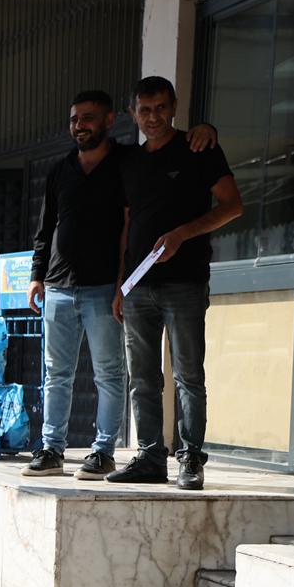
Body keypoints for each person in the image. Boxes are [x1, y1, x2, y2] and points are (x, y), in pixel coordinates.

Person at [25, 92, 218, 481]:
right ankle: (51, 449)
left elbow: (130, 226)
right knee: (56, 373)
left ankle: (105, 451)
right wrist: (37, 274)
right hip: (59, 287)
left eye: (89, 117)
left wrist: (206, 130)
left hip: (107, 288)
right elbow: (47, 228)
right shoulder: (60, 169)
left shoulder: (127, 163)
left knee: (111, 374)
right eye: (75, 119)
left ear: (111, 119)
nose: (81, 125)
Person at [108, 76, 243, 491]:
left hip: (184, 283)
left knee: (188, 374)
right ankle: (150, 456)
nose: (153, 117)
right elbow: (126, 226)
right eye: (144, 110)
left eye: (161, 108)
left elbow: (233, 206)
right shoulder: (129, 161)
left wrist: (184, 233)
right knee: (143, 377)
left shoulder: (199, 148)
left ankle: (190, 458)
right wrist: (120, 286)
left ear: (174, 107)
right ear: (133, 113)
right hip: (138, 287)